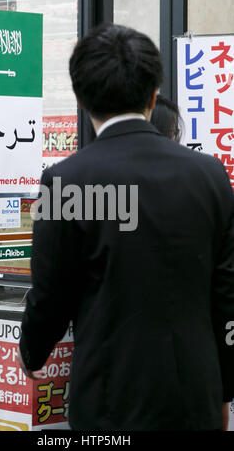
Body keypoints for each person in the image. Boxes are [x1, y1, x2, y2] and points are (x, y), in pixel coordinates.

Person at [18, 23, 234, 431]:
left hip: (109, 401)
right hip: (196, 394)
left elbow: (50, 291)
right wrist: (224, 391)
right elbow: (225, 296)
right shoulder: (210, 175)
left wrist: (32, 351)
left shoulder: (66, 180)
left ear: (82, 100)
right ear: (154, 96)